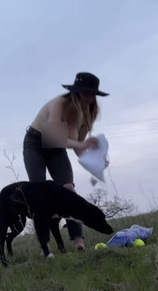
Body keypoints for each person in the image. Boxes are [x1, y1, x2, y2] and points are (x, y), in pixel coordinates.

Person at [23, 72, 109, 251]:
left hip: (57, 150)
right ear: (76, 92)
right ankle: (45, 243)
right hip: (35, 144)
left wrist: (96, 162)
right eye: (85, 92)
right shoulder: (60, 103)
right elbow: (53, 136)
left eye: (92, 93)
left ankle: (78, 240)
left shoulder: (89, 113)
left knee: (68, 190)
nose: (89, 97)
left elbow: (78, 146)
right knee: (40, 194)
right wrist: (81, 144)